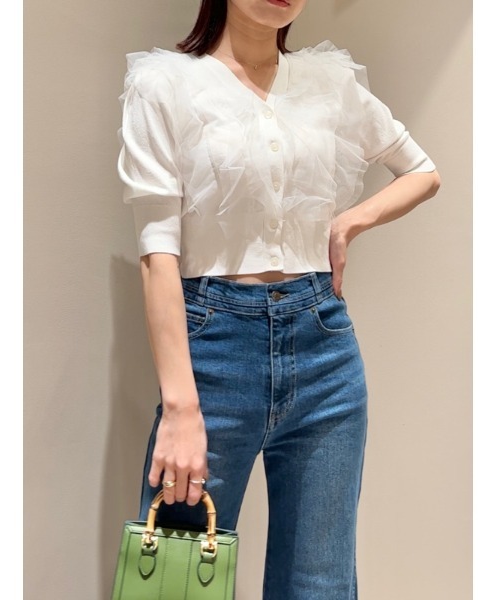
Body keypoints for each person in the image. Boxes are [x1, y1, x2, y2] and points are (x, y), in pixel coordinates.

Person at [117, 0, 440, 598]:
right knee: (176, 577)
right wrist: (181, 409)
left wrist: (350, 222)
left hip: (325, 352)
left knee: (318, 584)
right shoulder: (164, 84)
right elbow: (157, 253)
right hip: (212, 352)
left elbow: (422, 171)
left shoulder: (328, 83)